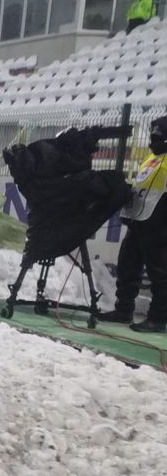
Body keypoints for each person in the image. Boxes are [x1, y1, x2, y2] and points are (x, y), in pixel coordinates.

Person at [98, 115, 167, 332]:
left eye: (158, 136)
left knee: (160, 272)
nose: (152, 141)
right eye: (152, 135)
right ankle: (123, 310)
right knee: (128, 265)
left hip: (160, 222)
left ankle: (157, 318)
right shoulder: (152, 158)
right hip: (140, 219)